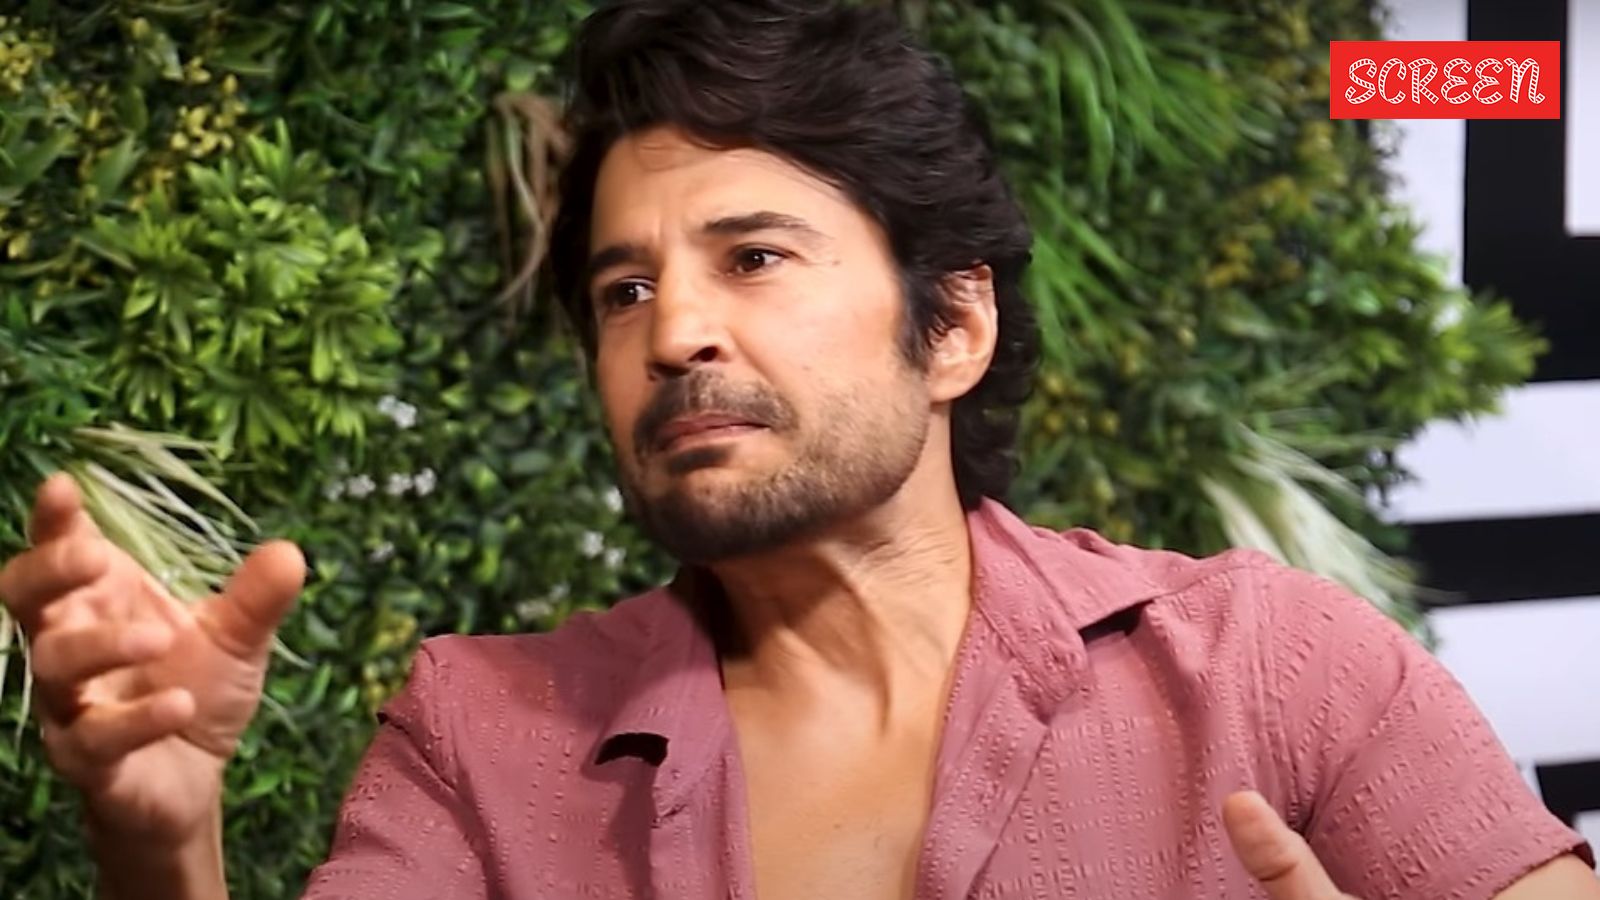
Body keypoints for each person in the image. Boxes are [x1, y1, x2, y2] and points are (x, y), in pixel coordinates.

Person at [1, 1, 1595, 898]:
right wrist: (161, 845)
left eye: (753, 257)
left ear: (951, 327)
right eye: (623, 290)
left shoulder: (1273, 667)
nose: (673, 330)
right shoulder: (480, 739)